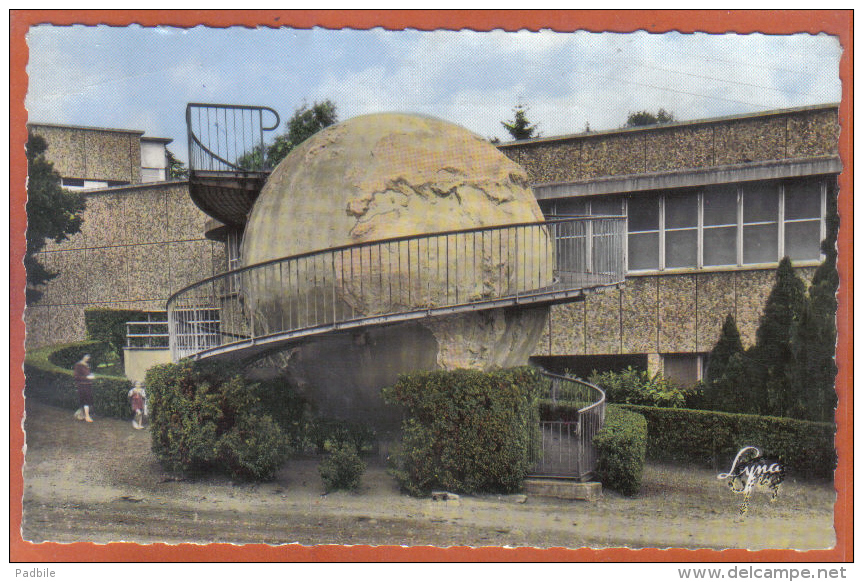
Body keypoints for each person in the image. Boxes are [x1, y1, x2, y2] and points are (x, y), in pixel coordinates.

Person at [72, 354, 95, 422]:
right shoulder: (78, 365)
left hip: (88, 385)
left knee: (87, 400)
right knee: (85, 401)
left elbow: (87, 374)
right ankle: (87, 416)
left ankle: (82, 414)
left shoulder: (87, 365)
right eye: (86, 356)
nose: (88, 358)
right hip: (82, 385)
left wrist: (91, 376)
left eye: (89, 356)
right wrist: (87, 377)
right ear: (83, 356)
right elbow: (76, 376)